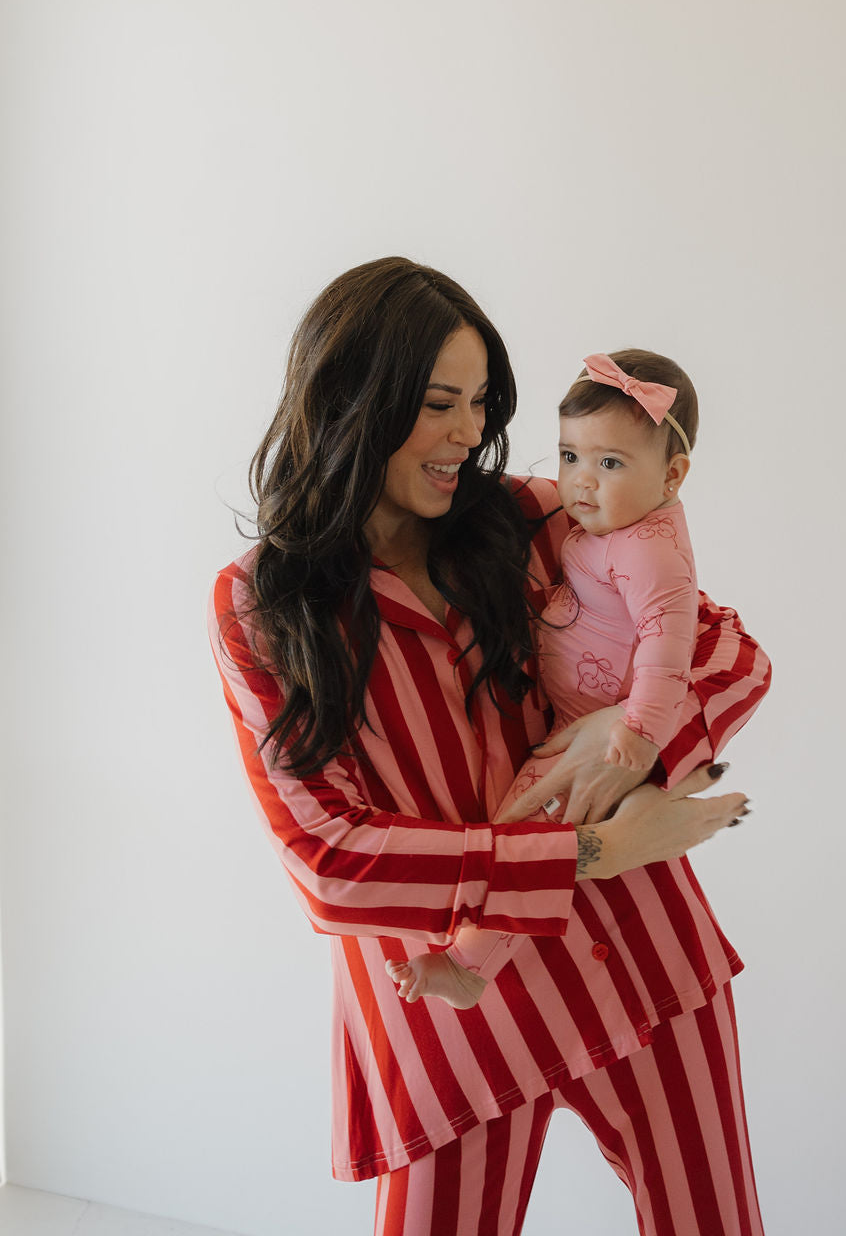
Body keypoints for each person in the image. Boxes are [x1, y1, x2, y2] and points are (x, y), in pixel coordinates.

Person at [209, 257, 771, 1236]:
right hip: (454, 1012)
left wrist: (622, 742)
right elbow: (331, 862)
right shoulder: (262, 606)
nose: (470, 432)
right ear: (353, 399)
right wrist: (588, 849)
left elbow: (731, 659)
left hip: (638, 959)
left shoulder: (536, 514)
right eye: (438, 403)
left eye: (480, 402)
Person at [384, 345, 720, 1011]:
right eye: (571, 457)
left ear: (673, 476)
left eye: (610, 463)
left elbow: (668, 649)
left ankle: (473, 963)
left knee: (520, 830)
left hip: (592, 729)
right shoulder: (604, 521)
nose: (581, 482)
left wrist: (640, 735)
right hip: (580, 716)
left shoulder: (651, 553)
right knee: (524, 832)